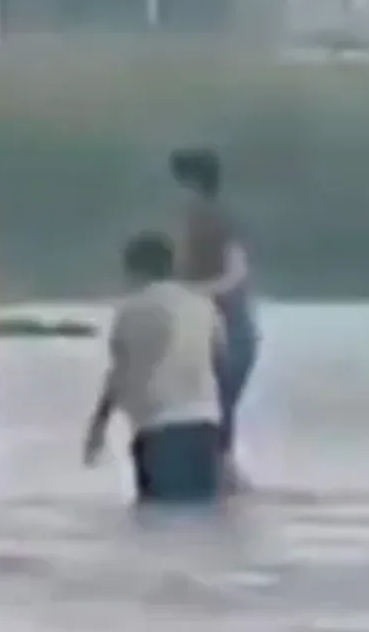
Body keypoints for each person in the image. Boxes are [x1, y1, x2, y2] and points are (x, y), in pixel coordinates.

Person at [83, 231, 225, 506]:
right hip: (205, 426)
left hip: (159, 431)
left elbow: (120, 374)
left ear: (135, 269)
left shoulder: (135, 309)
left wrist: (98, 428)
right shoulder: (202, 305)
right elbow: (221, 360)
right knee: (204, 520)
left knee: (158, 520)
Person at [171, 147, 258, 493]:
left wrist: (194, 292)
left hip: (230, 330)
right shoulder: (194, 223)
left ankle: (226, 493)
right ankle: (223, 492)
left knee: (217, 417)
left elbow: (236, 273)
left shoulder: (219, 220)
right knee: (212, 419)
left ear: (193, 184)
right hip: (207, 330)